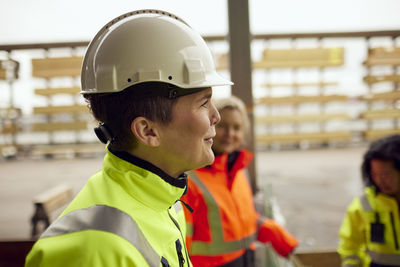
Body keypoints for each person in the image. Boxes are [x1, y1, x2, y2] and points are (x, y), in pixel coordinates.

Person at [25, 9, 233, 267]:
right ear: (147, 131)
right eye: (203, 104)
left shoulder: (165, 202)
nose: (216, 117)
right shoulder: (92, 251)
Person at [181, 96, 298, 267]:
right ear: (208, 126)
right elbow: (182, 241)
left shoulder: (239, 171)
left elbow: (236, 221)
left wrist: (269, 229)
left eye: (236, 127)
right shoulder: (190, 179)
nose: (230, 134)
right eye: (222, 126)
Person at [338, 134, 400, 267]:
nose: (380, 181)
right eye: (374, 174)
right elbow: (350, 244)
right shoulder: (363, 205)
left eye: (385, 174)